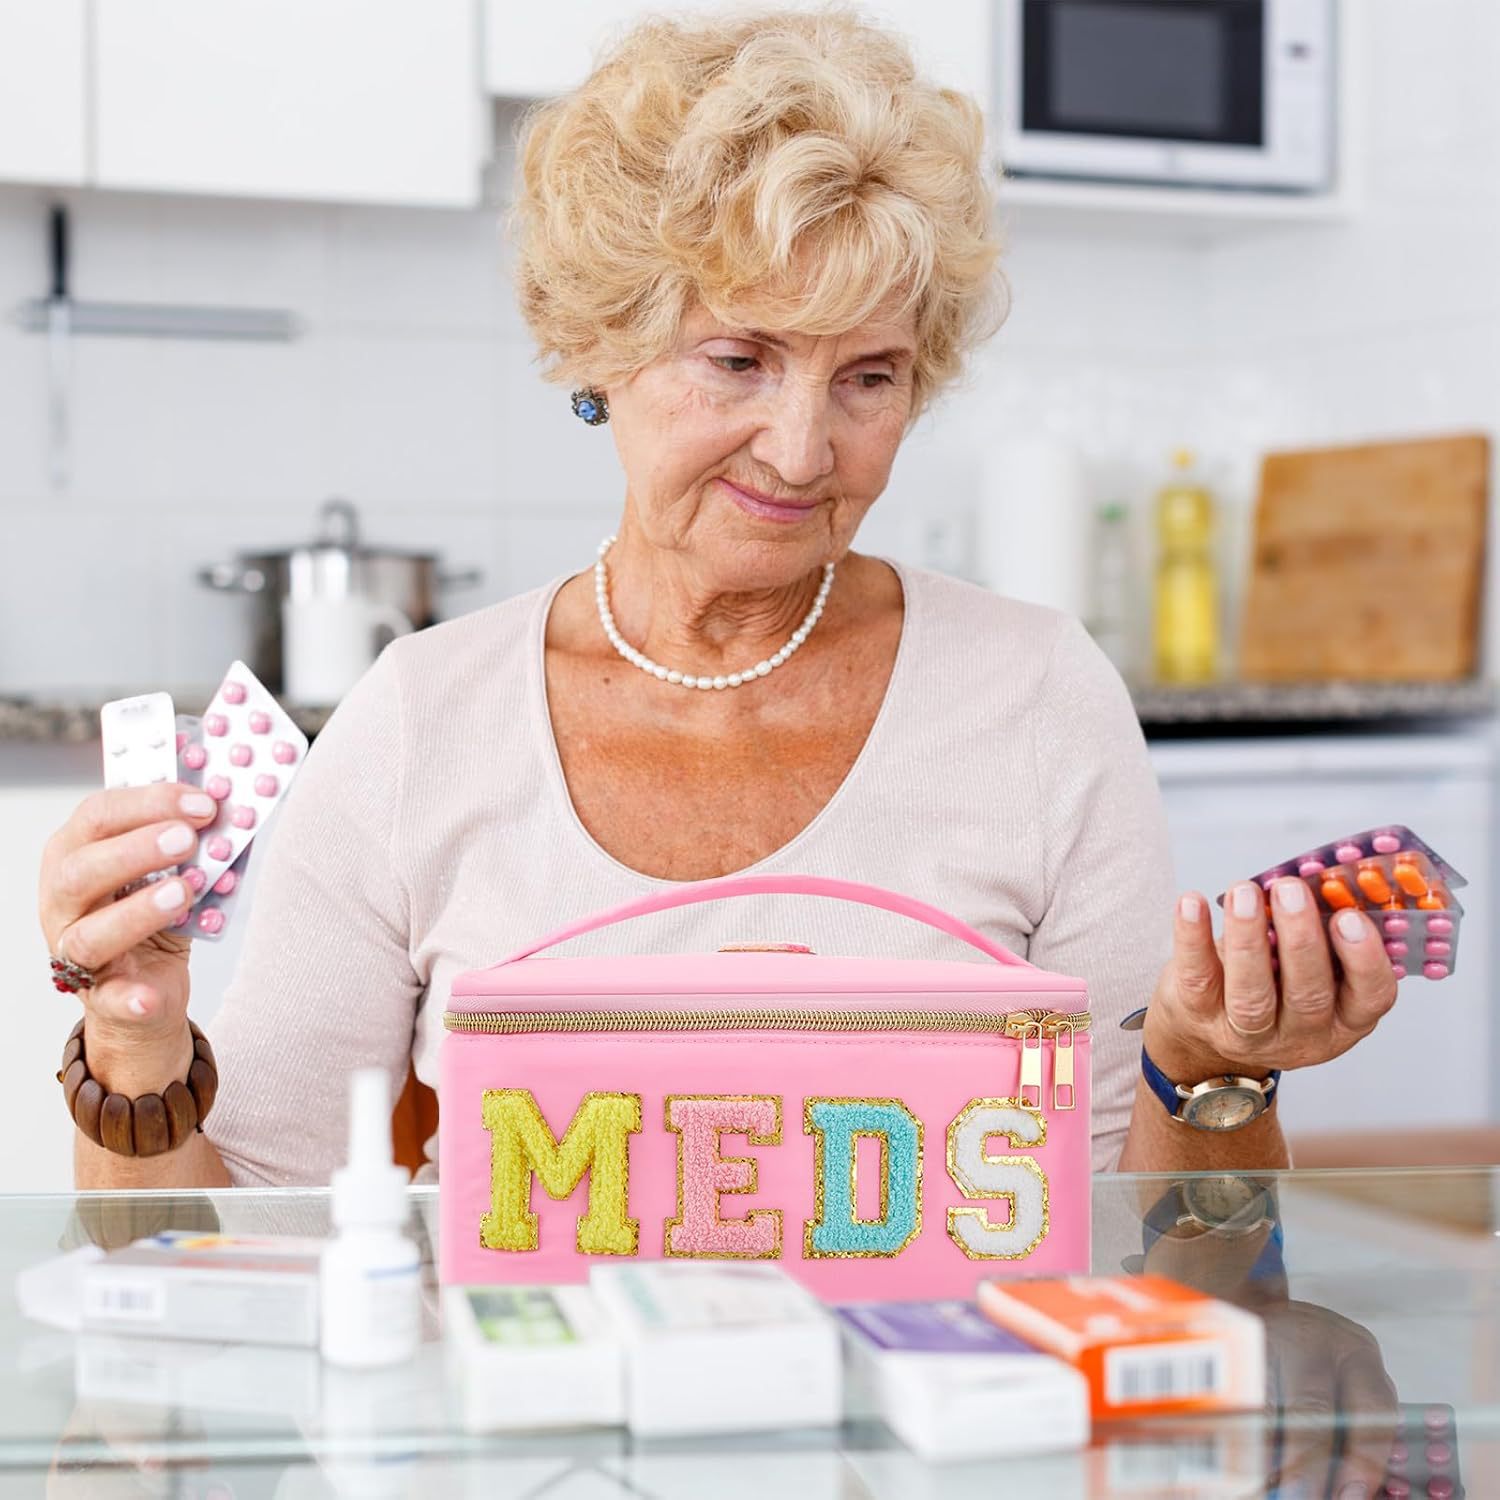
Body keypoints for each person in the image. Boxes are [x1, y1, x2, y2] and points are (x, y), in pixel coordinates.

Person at [40, 8, 1398, 1190]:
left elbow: (1150, 1257)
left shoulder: (1039, 698)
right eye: (739, 360)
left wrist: (1208, 1071)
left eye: (868, 378)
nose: (804, 453)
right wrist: (136, 1040)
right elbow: (232, 1238)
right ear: (598, 347)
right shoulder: (418, 722)